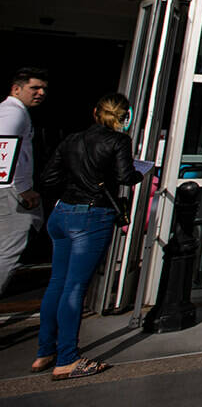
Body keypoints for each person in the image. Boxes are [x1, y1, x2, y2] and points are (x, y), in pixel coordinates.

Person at [32, 93, 142, 380]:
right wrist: (140, 172)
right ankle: (67, 359)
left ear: (95, 112)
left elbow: (47, 179)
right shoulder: (118, 141)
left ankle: (45, 352)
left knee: (57, 282)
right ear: (123, 117)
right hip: (91, 216)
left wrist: (77, 180)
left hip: (61, 213)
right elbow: (126, 177)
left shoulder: (71, 140)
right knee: (75, 288)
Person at [0, 67, 48, 295]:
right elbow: (5, 149)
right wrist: (23, 189)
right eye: (34, 88)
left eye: (43, 89)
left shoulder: (9, 110)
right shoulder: (14, 113)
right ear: (16, 89)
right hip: (9, 190)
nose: (40, 93)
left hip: (8, 188)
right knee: (9, 250)